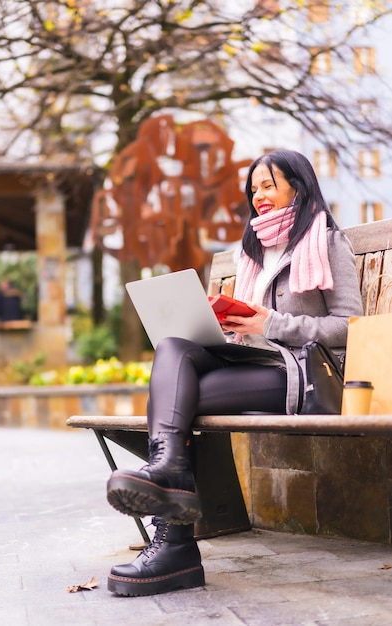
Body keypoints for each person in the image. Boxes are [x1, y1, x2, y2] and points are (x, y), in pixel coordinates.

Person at [105, 149, 364, 597]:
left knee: (181, 400)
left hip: (305, 372)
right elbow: (251, 328)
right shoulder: (254, 249)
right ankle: (169, 474)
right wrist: (228, 329)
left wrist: (271, 323)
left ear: (297, 188)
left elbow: (349, 325)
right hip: (256, 359)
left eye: (269, 185)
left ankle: (175, 539)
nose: (259, 195)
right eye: (254, 188)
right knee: (173, 347)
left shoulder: (326, 241)